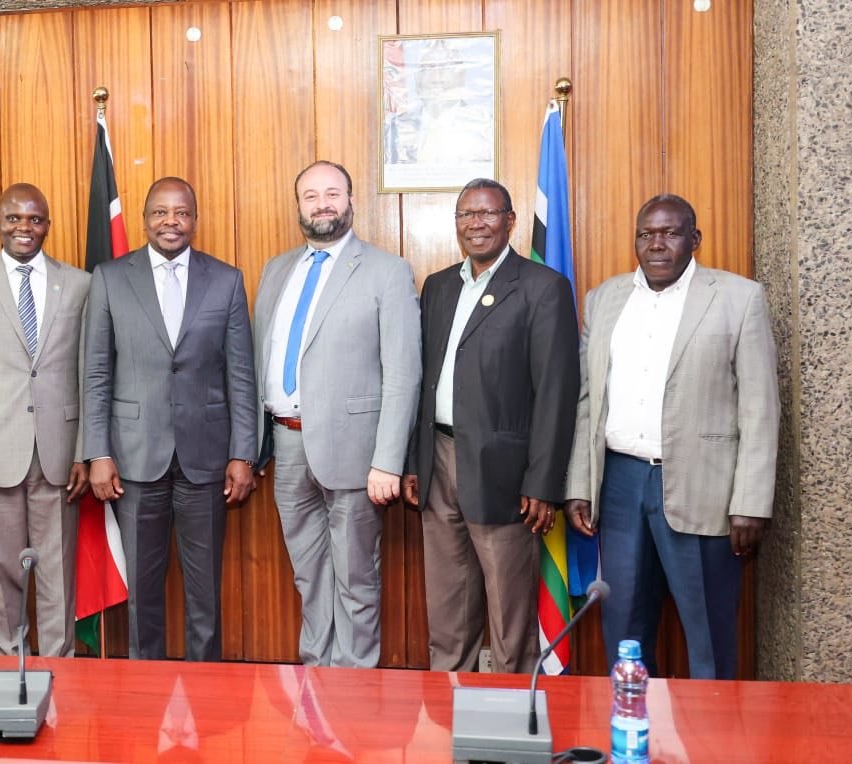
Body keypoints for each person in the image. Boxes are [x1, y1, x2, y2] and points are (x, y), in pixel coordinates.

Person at [564, 194, 778, 679]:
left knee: (708, 639)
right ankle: (635, 742)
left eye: (670, 233)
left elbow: (761, 407)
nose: (656, 243)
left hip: (703, 490)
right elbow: (586, 401)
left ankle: (714, 745)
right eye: (646, 233)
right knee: (623, 631)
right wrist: (579, 483)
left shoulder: (738, 298)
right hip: (619, 486)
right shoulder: (604, 299)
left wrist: (751, 501)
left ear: (694, 239)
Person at [402, 178, 579, 674]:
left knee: (509, 615)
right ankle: (449, 712)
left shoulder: (543, 288)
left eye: (488, 213)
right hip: (438, 460)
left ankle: (512, 724)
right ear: (456, 225)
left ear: (510, 220)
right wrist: (416, 462)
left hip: (504, 474)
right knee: (448, 604)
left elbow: (556, 393)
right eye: (467, 215)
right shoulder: (438, 287)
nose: (477, 223)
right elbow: (425, 380)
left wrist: (543, 484)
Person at [254, 160, 419, 668]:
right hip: (287, 443)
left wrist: (388, 461)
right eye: (310, 195)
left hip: (356, 451)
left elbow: (403, 373)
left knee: (355, 578)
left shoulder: (386, 270)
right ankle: (316, 679)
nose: (322, 203)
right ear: (298, 205)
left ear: (351, 201)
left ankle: (354, 686)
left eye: (332, 193)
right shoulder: (276, 269)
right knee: (309, 575)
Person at [84, 177, 257, 661]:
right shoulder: (111, 277)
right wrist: (97, 452)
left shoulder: (226, 279)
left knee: (205, 595)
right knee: (143, 594)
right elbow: (96, 372)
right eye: (160, 212)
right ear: (144, 220)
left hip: (206, 462)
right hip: (135, 461)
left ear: (195, 220)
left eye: (181, 212)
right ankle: (146, 691)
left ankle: (208, 690)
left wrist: (244, 452)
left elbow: (241, 374)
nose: (171, 222)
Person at [0, 183, 90, 657]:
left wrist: (85, 451)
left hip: (59, 455)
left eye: (35, 219)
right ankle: (11, 674)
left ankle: (59, 674)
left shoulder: (81, 284)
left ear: (47, 225)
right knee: (2, 572)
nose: (24, 228)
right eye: (13, 218)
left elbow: (91, 375)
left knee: (57, 575)